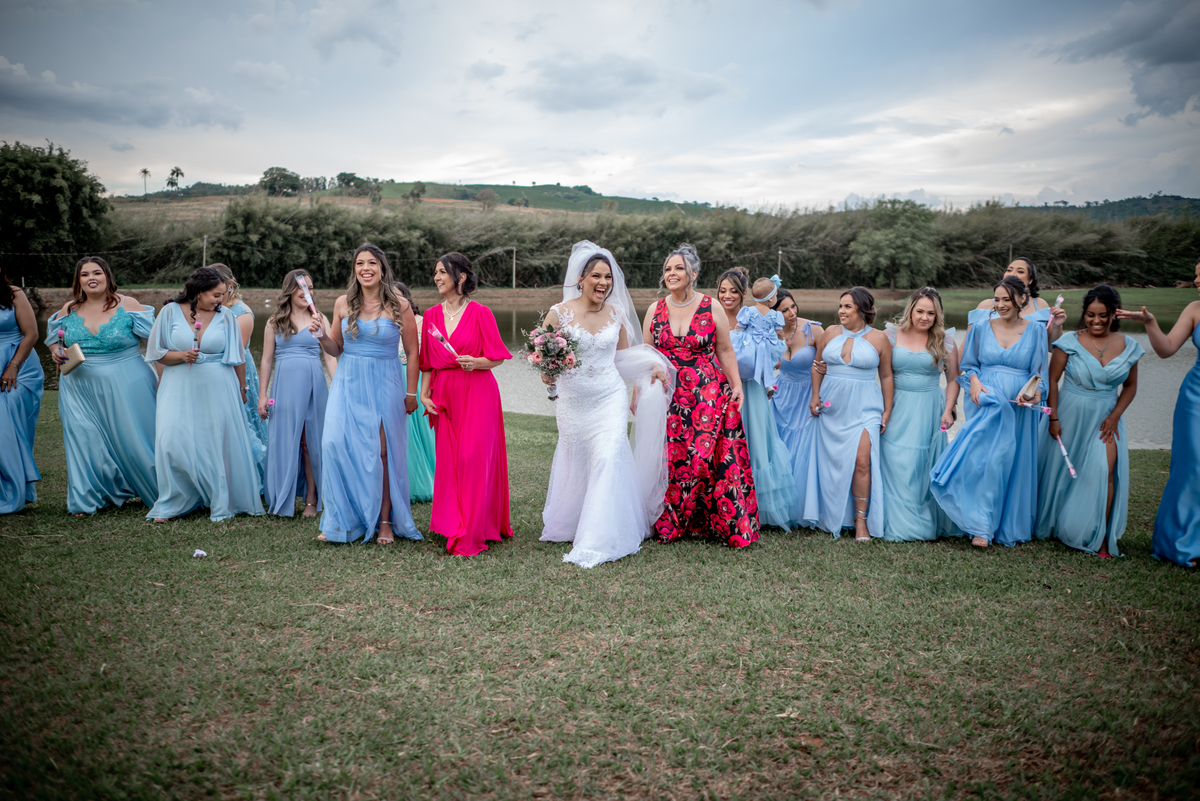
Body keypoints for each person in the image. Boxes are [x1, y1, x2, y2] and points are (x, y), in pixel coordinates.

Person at [539, 241, 674, 567]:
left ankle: (600, 536)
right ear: (580, 279)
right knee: (579, 459)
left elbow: (623, 358)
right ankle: (575, 521)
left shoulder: (616, 313)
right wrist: (547, 372)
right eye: (597, 276)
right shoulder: (559, 313)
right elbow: (543, 359)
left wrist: (651, 366)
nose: (603, 283)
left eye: (608, 277)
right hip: (574, 400)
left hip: (609, 396)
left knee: (609, 454)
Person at [642, 245, 759, 548]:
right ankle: (672, 522)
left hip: (706, 394)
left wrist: (736, 385)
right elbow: (647, 357)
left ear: (693, 274)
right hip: (667, 395)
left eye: (679, 268)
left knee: (702, 460)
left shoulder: (711, 306)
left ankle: (707, 521)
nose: (672, 273)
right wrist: (638, 393)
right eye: (668, 269)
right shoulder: (655, 309)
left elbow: (725, 350)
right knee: (671, 458)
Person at [311, 244, 421, 544]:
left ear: (382, 268)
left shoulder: (399, 304)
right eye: (359, 263)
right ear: (354, 269)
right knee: (334, 444)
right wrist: (320, 335)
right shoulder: (343, 303)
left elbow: (413, 352)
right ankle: (343, 518)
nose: (365, 268)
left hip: (385, 382)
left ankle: (385, 521)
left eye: (372, 263)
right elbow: (336, 348)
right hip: (348, 383)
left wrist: (411, 393)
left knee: (382, 453)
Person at [930, 276, 1047, 547]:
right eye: (997, 299)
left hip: (1018, 407)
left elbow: (1038, 373)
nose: (1001, 305)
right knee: (987, 461)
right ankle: (981, 526)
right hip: (987, 401)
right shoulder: (981, 327)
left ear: (1022, 299)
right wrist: (974, 381)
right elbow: (969, 365)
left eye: (1007, 299)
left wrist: (1035, 394)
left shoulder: (1036, 330)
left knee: (1011, 462)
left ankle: (1005, 524)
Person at [144, 267, 264, 522]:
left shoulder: (227, 316)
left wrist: (242, 388)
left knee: (213, 442)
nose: (220, 299)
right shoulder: (169, 312)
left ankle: (219, 498)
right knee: (171, 439)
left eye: (223, 294)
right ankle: (174, 501)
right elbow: (156, 352)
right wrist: (181, 355)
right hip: (177, 384)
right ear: (199, 291)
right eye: (216, 295)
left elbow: (237, 356)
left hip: (218, 384)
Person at [45, 257, 158, 515]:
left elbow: (155, 345)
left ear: (107, 276)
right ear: (78, 280)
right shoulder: (69, 309)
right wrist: (55, 352)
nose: (91, 278)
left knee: (134, 441)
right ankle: (87, 499)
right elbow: (53, 340)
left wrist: (163, 379)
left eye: (97, 273)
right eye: (85, 274)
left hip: (128, 383)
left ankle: (158, 490)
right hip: (78, 386)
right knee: (84, 439)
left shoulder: (128, 304)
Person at [419, 252, 514, 556]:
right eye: (435, 272)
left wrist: (477, 362)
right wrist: (424, 394)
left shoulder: (481, 313)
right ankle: (451, 523)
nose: (437, 277)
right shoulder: (431, 316)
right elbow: (426, 361)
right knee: (450, 462)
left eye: (442, 272)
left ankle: (473, 529)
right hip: (444, 394)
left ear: (460, 277)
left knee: (472, 459)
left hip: (477, 391)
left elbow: (497, 357)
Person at [1037, 286, 1143, 556]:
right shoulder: (1069, 342)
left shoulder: (1129, 346)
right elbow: (1052, 380)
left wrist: (1115, 416)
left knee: (1105, 472)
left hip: (1106, 419)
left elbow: (1130, 386)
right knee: (1062, 472)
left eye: (1103, 315)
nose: (1096, 321)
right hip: (1069, 413)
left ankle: (1101, 538)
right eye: (1090, 315)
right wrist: (1053, 417)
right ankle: (1059, 524)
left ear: (1113, 315)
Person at [1116, 259, 1200, 568]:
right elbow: (1166, 350)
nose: (1196, 281)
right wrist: (1150, 323)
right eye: (1196, 275)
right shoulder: (1194, 309)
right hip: (1195, 398)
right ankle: (1180, 545)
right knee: (1192, 468)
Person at [806, 287, 893, 541]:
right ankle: (831, 513)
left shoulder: (880, 338)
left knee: (862, 461)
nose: (841, 311)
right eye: (840, 306)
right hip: (832, 407)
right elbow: (818, 366)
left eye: (847, 307)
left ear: (862, 310)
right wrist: (815, 395)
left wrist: (887, 409)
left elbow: (886, 376)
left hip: (865, 407)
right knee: (832, 461)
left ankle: (861, 520)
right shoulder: (830, 333)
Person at [879, 287, 960, 542]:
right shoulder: (890, 335)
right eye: (920, 311)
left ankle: (919, 522)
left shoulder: (945, 340)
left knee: (918, 463)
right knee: (893, 459)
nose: (924, 317)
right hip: (895, 404)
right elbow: (875, 367)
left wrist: (949, 408)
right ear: (910, 310)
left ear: (938, 315)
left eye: (931, 313)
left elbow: (953, 379)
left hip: (928, 406)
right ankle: (891, 520)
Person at [257, 269, 338, 517]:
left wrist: (338, 389)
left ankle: (312, 498)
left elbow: (331, 357)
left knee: (311, 442)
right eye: (302, 288)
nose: (307, 292)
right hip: (284, 388)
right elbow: (266, 360)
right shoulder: (275, 322)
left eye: (310, 288)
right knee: (286, 441)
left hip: (314, 386)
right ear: (289, 290)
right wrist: (262, 395)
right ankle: (285, 496)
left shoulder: (319, 319)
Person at [725, 272, 799, 529]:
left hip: (746, 363)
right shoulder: (775, 316)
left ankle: (747, 499)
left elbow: (737, 333)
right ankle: (756, 500)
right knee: (758, 430)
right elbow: (779, 338)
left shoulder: (746, 312)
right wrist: (777, 341)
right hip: (759, 367)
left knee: (753, 428)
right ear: (772, 298)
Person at [211, 263, 267, 485]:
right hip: (211, 372)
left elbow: (236, 352)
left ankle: (251, 478)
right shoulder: (208, 308)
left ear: (229, 284)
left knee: (243, 422)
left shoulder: (242, 313)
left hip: (237, 372)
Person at [770, 288, 822, 522]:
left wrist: (818, 394)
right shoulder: (769, 332)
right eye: (784, 310)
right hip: (781, 396)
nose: (792, 312)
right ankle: (780, 506)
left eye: (793, 306)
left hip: (808, 394)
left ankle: (802, 508)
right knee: (779, 446)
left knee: (803, 447)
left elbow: (827, 363)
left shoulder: (813, 329)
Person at [0, 265, 42, 514]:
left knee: (9, 429)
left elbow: (32, 334)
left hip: (20, 368)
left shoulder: (13, 293)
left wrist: (12, 366)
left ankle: (14, 491)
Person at [394, 281, 436, 503]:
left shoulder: (422, 321)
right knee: (401, 431)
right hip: (392, 378)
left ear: (407, 297)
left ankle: (428, 479)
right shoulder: (383, 321)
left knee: (421, 430)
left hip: (416, 378)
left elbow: (437, 347)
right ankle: (401, 481)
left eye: (397, 295)